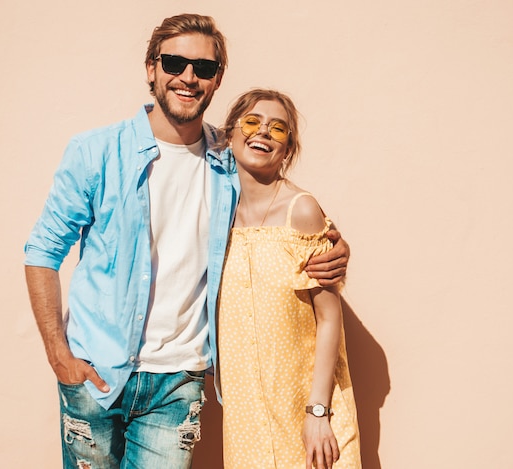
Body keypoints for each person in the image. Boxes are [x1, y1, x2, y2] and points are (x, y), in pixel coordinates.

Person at [24, 14, 350, 469]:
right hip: (95, 374)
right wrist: (60, 356)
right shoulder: (95, 153)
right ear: (151, 69)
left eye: (204, 68)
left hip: (178, 382)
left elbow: (278, 206)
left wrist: (333, 246)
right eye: (174, 62)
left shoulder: (227, 158)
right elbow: (42, 251)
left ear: (217, 82)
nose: (188, 77)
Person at [216, 89, 361, 469]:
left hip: (306, 412)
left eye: (277, 129)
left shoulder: (302, 211)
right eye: (252, 122)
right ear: (229, 133)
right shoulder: (216, 217)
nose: (262, 133)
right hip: (247, 417)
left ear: (288, 148)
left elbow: (329, 317)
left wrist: (317, 412)